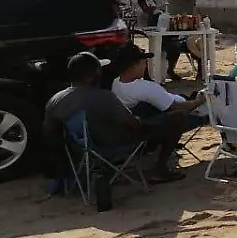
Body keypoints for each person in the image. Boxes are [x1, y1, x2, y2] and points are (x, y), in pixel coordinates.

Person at [43, 51, 185, 183]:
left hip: (80, 150)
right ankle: (160, 170)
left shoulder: (55, 100)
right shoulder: (103, 97)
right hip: (113, 144)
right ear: (92, 75)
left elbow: (49, 134)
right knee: (176, 117)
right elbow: (134, 124)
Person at [111, 44, 209, 131]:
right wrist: (200, 101)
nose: (146, 64)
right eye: (143, 61)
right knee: (212, 107)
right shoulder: (146, 88)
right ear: (133, 65)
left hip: (151, 118)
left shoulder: (116, 83)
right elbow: (177, 108)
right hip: (176, 116)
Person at [136, 0, 191, 79]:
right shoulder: (144, 16)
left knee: (177, 44)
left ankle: (170, 70)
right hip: (158, 41)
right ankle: (167, 71)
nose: (152, 2)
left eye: (152, 0)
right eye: (149, 0)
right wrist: (152, 13)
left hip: (169, 37)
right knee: (172, 46)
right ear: (143, 4)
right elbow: (148, 28)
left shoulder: (159, 13)